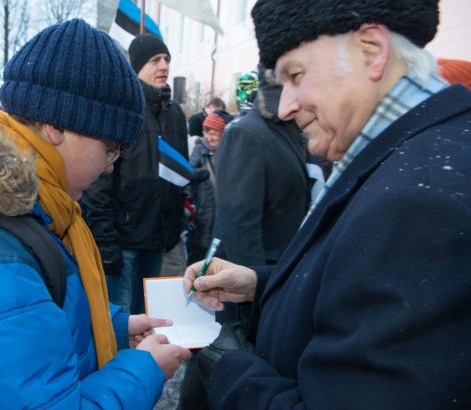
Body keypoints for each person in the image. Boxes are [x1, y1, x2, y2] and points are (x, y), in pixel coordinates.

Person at [184, 0, 471, 408]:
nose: (285, 105)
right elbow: (363, 286)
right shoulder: (409, 157)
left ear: (371, 50)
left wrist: (229, 368)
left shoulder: (417, 202)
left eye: (296, 75)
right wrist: (260, 286)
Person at [0, 19, 191, 409]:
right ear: (55, 126)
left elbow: (35, 324)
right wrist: (143, 370)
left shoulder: (23, 209)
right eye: (112, 148)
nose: (112, 165)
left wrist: (114, 328)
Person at [81, 33, 190, 314]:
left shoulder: (176, 113)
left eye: (167, 59)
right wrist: (105, 242)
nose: (164, 66)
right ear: (137, 67)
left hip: (159, 240)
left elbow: (180, 174)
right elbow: (98, 181)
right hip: (124, 240)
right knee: (120, 319)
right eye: (155, 60)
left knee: (152, 318)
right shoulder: (122, 109)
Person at [213, 65, 310, 266]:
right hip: (260, 275)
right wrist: (256, 289)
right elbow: (239, 227)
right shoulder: (245, 133)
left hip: (282, 267)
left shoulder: (286, 130)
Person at [187, 111, 231, 264]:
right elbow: (189, 178)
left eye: (214, 133)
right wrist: (189, 205)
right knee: (200, 251)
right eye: (207, 132)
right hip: (203, 210)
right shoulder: (199, 150)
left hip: (222, 210)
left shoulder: (229, 152)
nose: (209, 137)